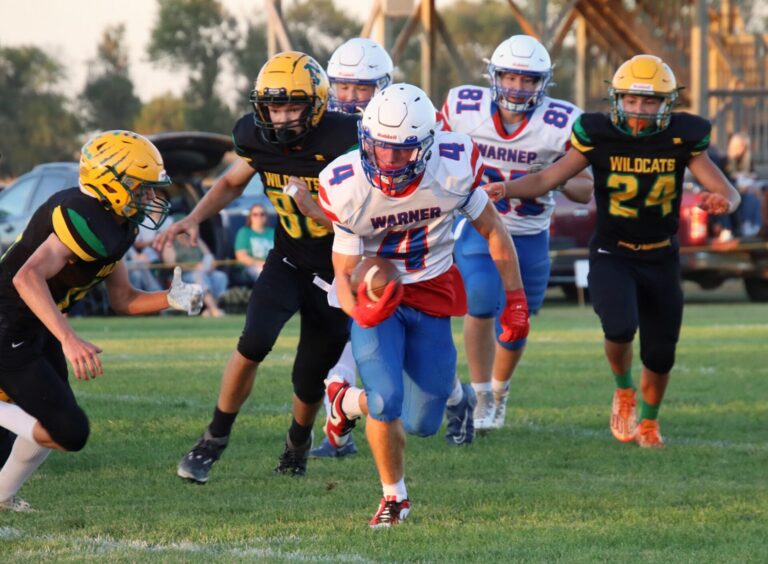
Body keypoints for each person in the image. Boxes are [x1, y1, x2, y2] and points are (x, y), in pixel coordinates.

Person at [484, 55, 741, 448]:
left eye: (650, 101)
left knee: (660, 351)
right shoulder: (598, 133)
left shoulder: (682, 137)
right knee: (619, 327)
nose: (640, 110)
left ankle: (651, 423)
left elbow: (730, 192)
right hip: (612, 251)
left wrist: (722, 202)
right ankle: (624, 391)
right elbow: (549, 178)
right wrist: (505, 188)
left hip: (661, 255)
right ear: (616, 99)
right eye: (632, 101)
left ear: (667, 103)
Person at [317, 84, 529, 527]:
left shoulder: (453, 166)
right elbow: (344, 271)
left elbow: (494, 230)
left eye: (403, 152)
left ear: (428, 145)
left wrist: (515, 300)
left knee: (422, 422)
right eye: (380, 148)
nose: (389, 161)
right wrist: (361, 310)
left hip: (431, 289)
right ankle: (395, 498)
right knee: (386, 400)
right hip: (379, 298)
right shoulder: (346, 183)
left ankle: (346, 403)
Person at [155, 51, 360, 484]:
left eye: (292, 107)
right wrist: (194, 218)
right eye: (274, 107)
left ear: (318, 105)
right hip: (288, 259)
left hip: (339, 268)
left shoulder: (347, 140)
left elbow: (363, 221)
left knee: (309, 375)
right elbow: (231, 182)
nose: (281, 117)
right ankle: (213, 439)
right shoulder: (256, 137)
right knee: (254, 341)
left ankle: (297, 444)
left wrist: (315, 208)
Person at [0, 130, 204, 511]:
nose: (149, 197)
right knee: (68, 431)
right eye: (140, 188)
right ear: (111, 183)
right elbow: (26, 277)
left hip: (35, 326)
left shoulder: (117, 224)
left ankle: (2, 495)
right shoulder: (81, 215)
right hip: (8, 326)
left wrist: (171, 298)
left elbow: (123, 300)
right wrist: (68, 339)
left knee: (62, 428)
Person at [440, 35, 594, 432]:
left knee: (516, 321)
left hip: (529, 233)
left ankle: (499, 390)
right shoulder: (463, 106)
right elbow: (435, 152)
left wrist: (552, 178)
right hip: (480, 227)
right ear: (494, 75)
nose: (517, 87)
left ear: (543, 83)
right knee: (480, 299)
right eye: (510, 77)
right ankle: (478, 396)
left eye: (528, 80)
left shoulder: (560, 122)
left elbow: (585, 189)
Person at [308, 37, 395, 459]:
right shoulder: (316, 123)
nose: (350, 98)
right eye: (342, 87)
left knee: (402, 348)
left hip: (390, 248)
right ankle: (339, 425)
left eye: (361, 88)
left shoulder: (397, 125)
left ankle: (455, 399)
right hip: (340, 247)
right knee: (348, 333)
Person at [163, 230, 228, 317]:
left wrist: (209, 266)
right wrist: (193, 268)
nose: (184, 232)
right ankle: (213, 309)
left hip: (203, 271)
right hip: (183, 275)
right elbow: (171, 264)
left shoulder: (196, 239)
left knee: (220, 276)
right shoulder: (170, 243)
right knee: (199, 276)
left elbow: (209, 256)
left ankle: (209, 310)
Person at [234, 203, 274, 281]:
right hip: (252, 267)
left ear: (266, 216)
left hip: (272, 265)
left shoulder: (273, 232)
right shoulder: (244, 232)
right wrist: (262, 264)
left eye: (262, 214)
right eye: (255, 214)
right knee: (264, 274)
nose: (259, 217)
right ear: (250, 217)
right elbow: (241, 257)